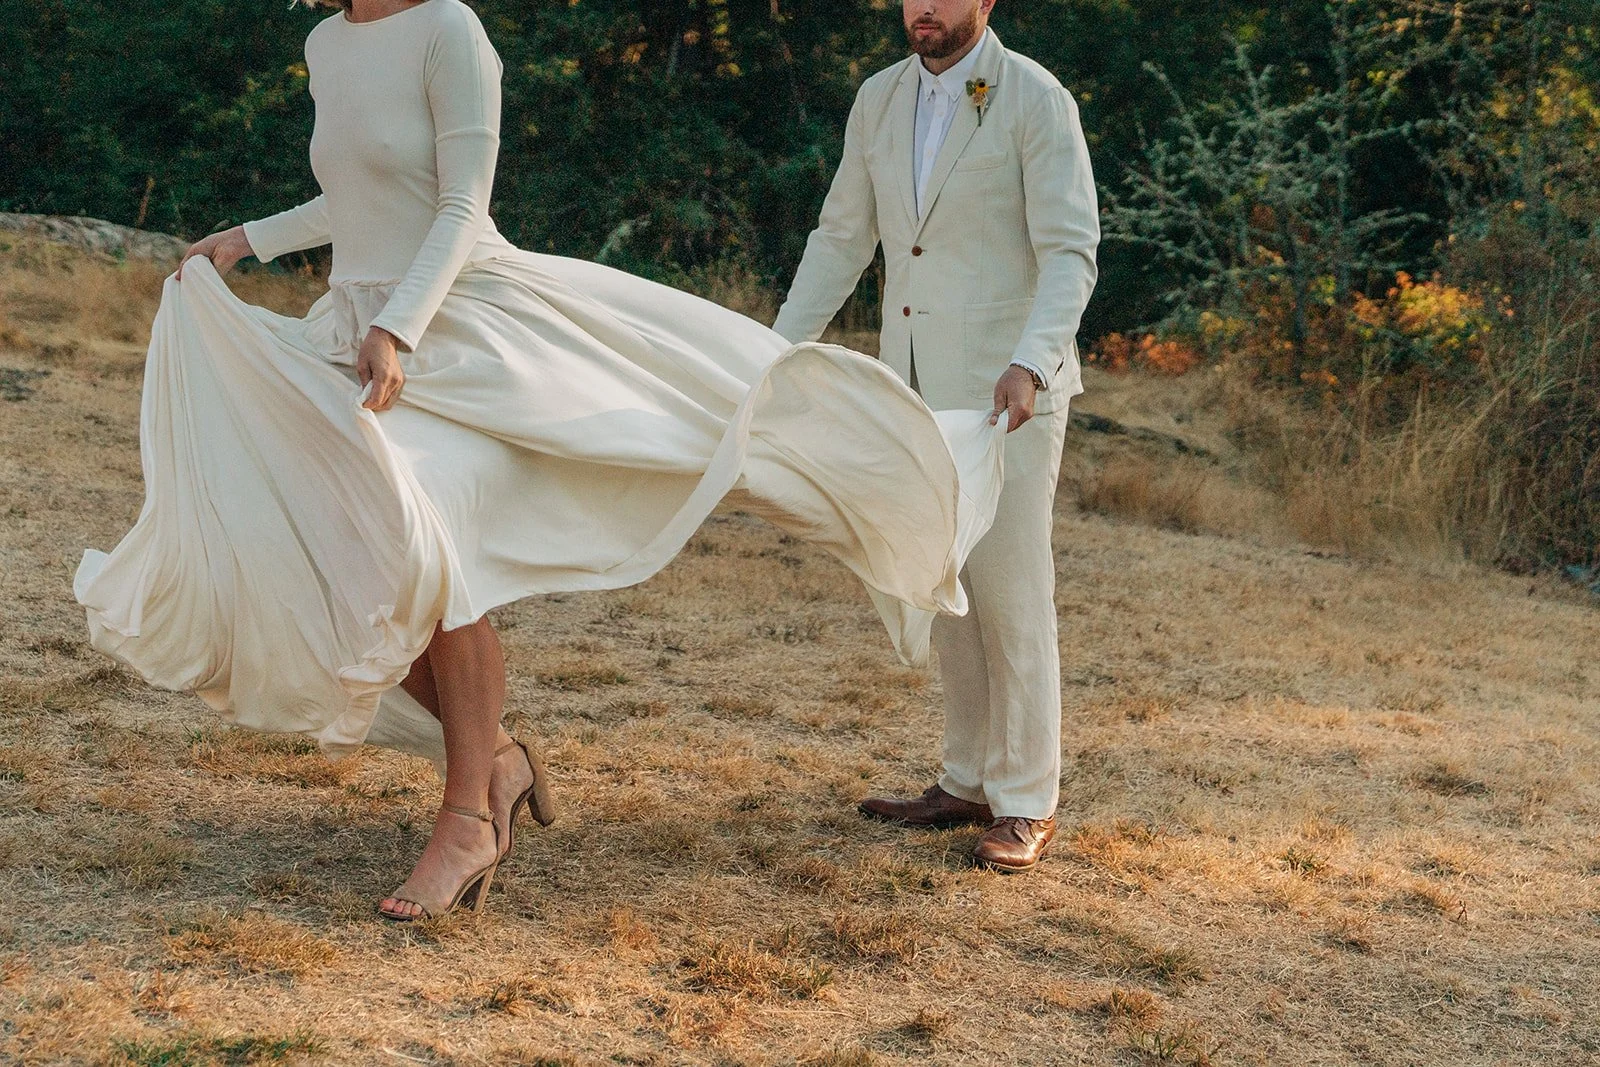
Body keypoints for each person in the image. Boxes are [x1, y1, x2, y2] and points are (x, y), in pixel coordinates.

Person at [76, 0, 1006, 921]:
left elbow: (459, 205)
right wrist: (247, 239)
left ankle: (464, 823)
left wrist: (401, 324)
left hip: (456, 328)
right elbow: (358, 196)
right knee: (359, 564)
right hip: (354, 330)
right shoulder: (326, 43)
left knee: (434, 551)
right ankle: (496, 763)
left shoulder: (450, 31)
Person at [774, 0, 1099, 872]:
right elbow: (841, 237)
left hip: (1009, 392)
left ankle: (1026, 800)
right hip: (913, 389)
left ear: (985, 2)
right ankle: (967, 780)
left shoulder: (1036, 98)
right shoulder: (878, 98)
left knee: (1012, 592)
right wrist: (774, 351)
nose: (923, 6)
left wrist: (1031, 362)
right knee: (942, 577)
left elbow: (1071, 251)